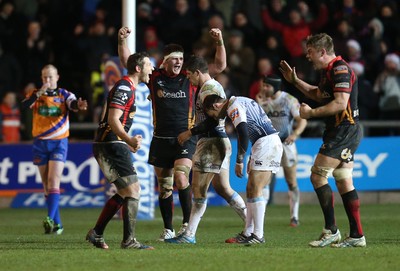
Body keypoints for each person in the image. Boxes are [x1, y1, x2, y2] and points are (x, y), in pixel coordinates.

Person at [118, 26, 227, 241]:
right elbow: (128, 63)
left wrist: (220, 42)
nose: (178, 62)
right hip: (160, 138)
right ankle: (168, 228)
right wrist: (122, 41)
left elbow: (220, 66)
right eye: (174, 58)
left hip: (186, 136)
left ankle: (187, 226)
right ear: (165, 61)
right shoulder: (154, 77)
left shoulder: (189, 77)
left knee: (181, 176)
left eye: (181, 58)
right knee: (165, 186)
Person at [279, 33, 366, 248]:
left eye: (310, 51)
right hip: (337, 130)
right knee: (343, 179)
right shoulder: (328, 72)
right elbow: (319, 94)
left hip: (344, 131)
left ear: (322, 52)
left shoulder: (340, 69)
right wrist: (295, 81)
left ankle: (331, 230)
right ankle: (357, 235)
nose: (307, 56)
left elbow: (339, 103)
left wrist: (310, 114)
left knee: (317, 176)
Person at [164, 55, 247, 244]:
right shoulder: (213, 86)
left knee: (198, 189)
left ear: (197, 72)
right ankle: (252, 226)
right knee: (223, 188)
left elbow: (214, 118)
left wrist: (190, 133)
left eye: (189, 75)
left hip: (211, 142)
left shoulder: (208, 90)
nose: (188, 79)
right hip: (221, 141)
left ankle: (189, 234)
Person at [192, 94, 283, 244]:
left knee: (255, 188)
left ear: (216, 106)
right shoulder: (240, 100)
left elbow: (243, 131)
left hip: (267, 143)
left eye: (212, 115)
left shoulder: (233, 105)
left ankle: (258, 235)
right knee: (251, 189)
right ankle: (248, 232)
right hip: (262, 144)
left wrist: (240, 160)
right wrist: (253, 153)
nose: (216, 118)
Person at [86, 52, 154, 250]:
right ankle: (129, 241)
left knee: (126, 192)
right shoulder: (125, 87)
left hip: (110, 143)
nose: (152, 68)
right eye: (149, 65)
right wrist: (128, 139)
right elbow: (113, 120)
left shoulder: (127, 86)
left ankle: (96, 234)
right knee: (133, 191)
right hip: (111, 144)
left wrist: (128, 141)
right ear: (139, 69)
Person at [21, 64, 88, 235]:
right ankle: (57, 224)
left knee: (53, 180)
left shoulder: (64, 94)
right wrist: (39, 92)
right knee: (46, 185)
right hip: (40, 143)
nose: (47, 80)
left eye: (50, 77)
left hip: (58, 142)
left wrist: (78, 106)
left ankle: (49, 218)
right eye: (44, 77)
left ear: (57, 77)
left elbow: (72, 104)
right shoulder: (36, 94)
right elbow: (24, 106)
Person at [255, 75, 307, 227]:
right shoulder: (260, 100)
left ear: (275, 87)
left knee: (291, 181)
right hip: (268, 145)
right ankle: (261, 216)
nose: (263, 89)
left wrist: (295, 134)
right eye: (263, 85)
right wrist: (258, 106)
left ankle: (294, 217)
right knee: (265, 180)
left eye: (267, 86)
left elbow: (302, 119)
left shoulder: (288, 100)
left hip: (286, 144)